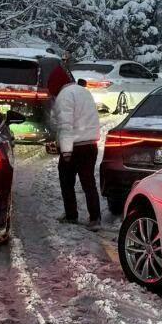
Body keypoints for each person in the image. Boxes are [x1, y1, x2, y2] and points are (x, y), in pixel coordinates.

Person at [47, 65, 101, 226]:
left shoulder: (64, 96)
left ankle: (71, 215)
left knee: (66, 180)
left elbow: (65, 125)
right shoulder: (84, 91)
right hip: (91, 145)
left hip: (74, 146)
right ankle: (95, 218)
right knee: (88, 182)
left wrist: (65, 151)